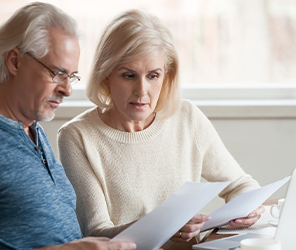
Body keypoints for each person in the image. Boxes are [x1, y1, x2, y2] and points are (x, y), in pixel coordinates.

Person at [0, 2, 136, 250]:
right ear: (14, 61)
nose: (67, 89)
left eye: (72, 76)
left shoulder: (34, 131)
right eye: (57, 73)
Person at [57, 9, 264, 250]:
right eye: (128, 75)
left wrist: (247, 209)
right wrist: (161, 224)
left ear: (166, 76)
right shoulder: (77, 137)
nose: (142, 90)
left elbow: (242, 185)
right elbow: (96, 233)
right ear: (106, 76)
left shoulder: (187, 118)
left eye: (153, 76)